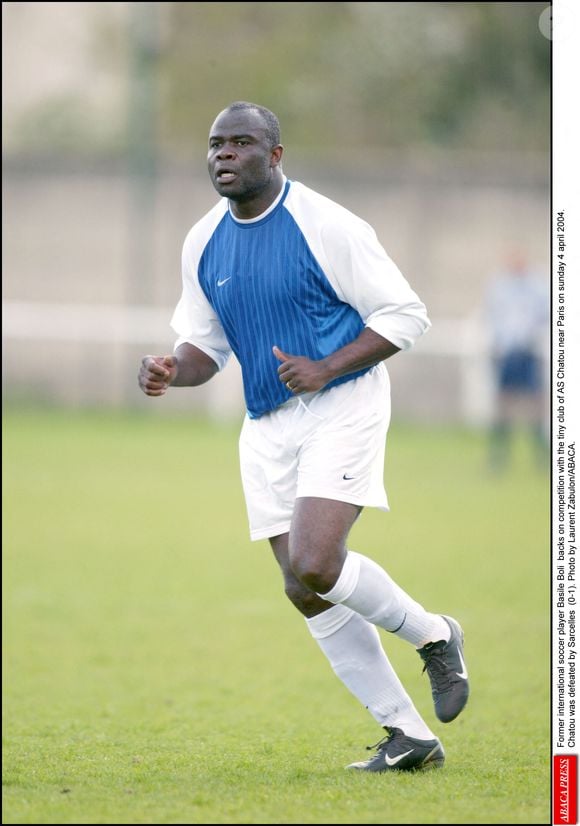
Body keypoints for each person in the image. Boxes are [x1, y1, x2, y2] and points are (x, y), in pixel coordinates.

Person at [138, 101, 469, 773]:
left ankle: (436, 636)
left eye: (240, 143)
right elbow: (205, 349)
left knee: (317, 561)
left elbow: (407, 314)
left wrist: (324, 367)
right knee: (304, 587)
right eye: (214, 144)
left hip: (343, 404)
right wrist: (173, 370)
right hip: (265, 425)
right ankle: (408, 736)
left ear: (275, 155)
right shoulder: (202, 240)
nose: (223, 155)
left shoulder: (327, 226)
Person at [484, 248, 549, 473]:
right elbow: (493, 317)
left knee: (536, 407)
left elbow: (545, 317)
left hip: (529, 353)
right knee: (503, 406)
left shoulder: (538, 286)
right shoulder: (500, 286)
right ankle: (498, 458)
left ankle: (542, 457)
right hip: (506, 354)